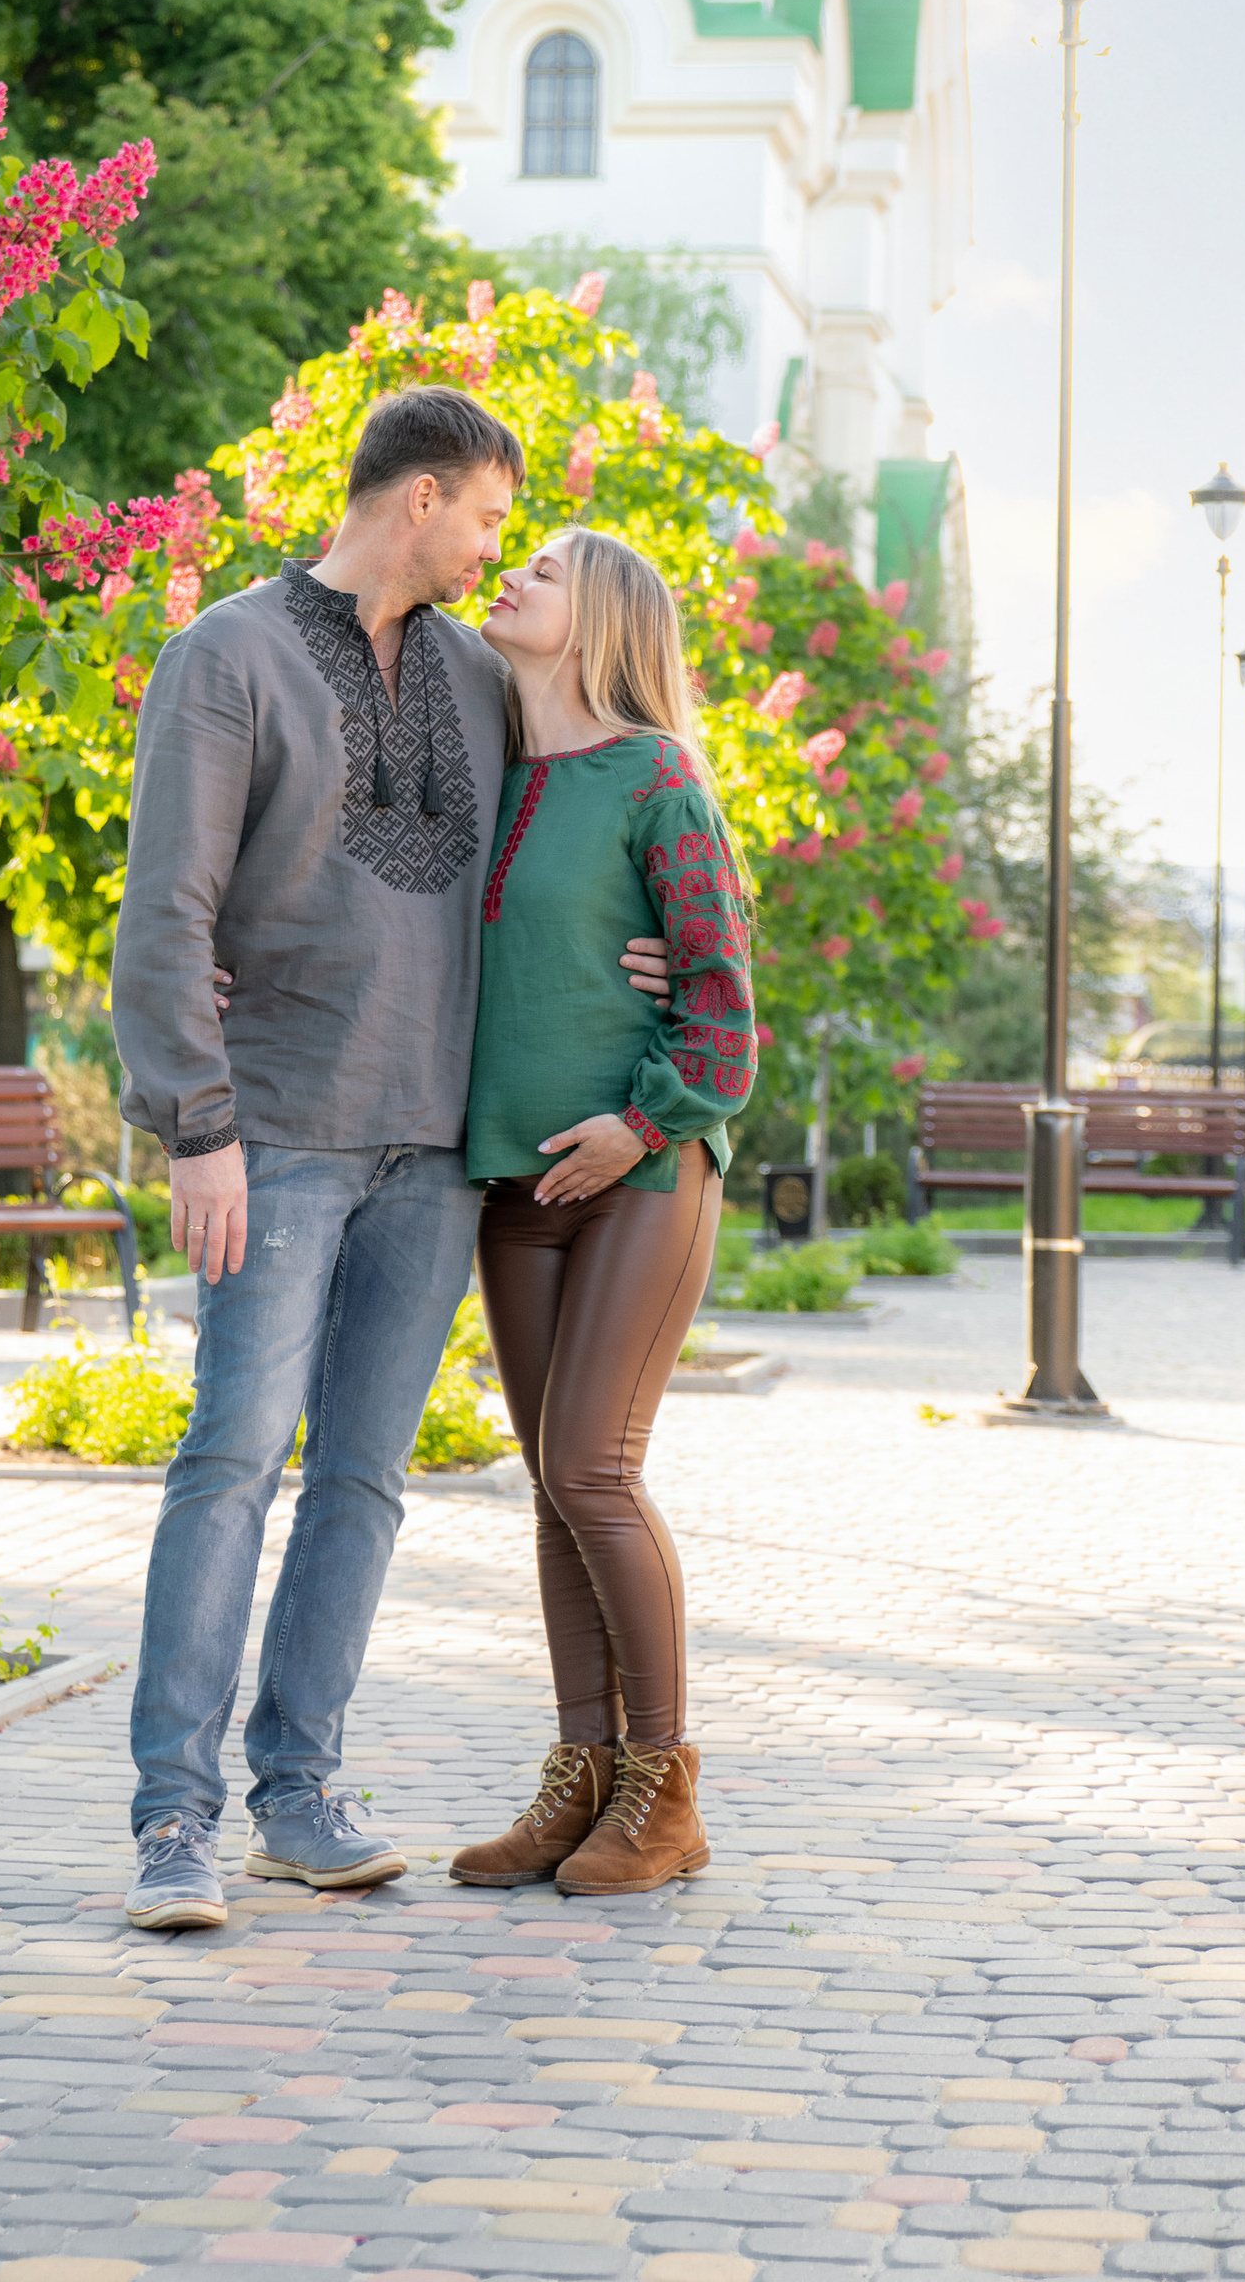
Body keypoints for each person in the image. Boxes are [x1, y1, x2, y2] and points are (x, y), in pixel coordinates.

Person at [107, 387, 669, 1931]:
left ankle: (302, 1794)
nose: (501, 551)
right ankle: (174, 1819)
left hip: (435, 1153)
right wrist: (197, 1128)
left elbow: (586, 823)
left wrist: (653, 963)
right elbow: (165, 910)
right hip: (275, 1138)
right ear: (419, 499)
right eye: (491, 516)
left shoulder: (484, 680)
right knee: (230, 1463)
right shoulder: (224, 656)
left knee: (363, 1480)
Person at [450, 524, 755, 1898]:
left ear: (606, 620)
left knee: (593, 1471)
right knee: (551, 1489)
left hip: (639, 1178)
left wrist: (637, 1124)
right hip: (513, 1189)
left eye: (546, 572)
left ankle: (665, 1791)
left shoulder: (660, 779)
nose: (508, 576)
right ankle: (578, 1784)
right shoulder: (486, 776)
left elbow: (724, 1016)